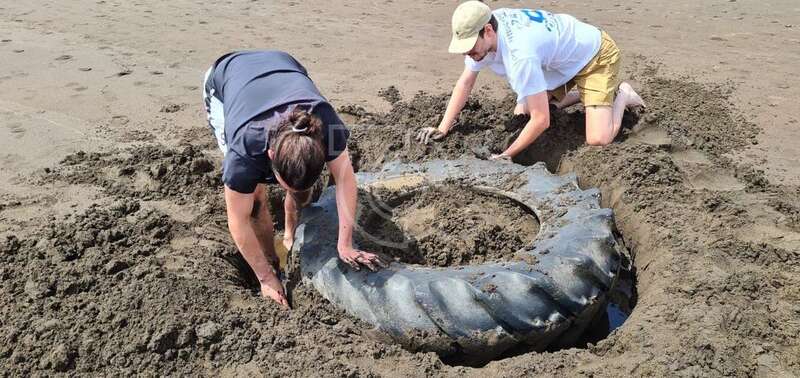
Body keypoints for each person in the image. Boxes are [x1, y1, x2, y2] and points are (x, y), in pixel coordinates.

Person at [202, 50, 385, 308]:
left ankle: (288, 236)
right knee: (255, 200)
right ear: (271, 155)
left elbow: (345, 180)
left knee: (300, 192)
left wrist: (345, 243)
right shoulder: (245, 147)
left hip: (283, 64)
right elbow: (237, 221)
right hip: (227, 80)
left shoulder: (326, 123)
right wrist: (266, 278)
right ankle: (272, 259)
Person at [417, 1, 645, 158]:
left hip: (594, 55)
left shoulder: (520, 55)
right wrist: (443, 127)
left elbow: (542, 121)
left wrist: (506, 155)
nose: (468, 53)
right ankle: (588, 98)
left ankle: (622, 95)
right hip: (556, 62)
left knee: (598, 139)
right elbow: (466, 82)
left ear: (487, 31)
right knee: (523, 111)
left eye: (469, 47)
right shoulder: (489, 26)